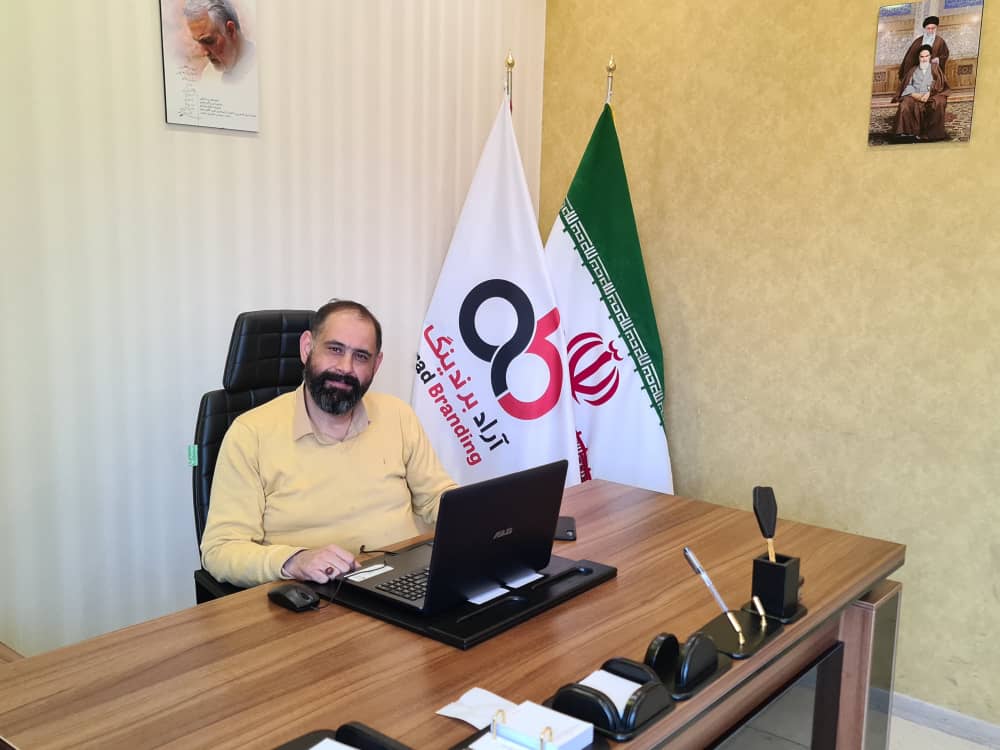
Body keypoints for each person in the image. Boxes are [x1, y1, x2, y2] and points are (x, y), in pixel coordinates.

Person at [201, 300, 457, 588]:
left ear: (376, 365)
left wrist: (482, 522)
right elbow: (220, 550)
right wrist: (293, 561)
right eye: (335, 349)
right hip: (314, 595)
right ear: (307, 348)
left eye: (361, 356)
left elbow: (437, 499)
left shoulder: (398, 415)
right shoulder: (250, 434)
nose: (345, 368)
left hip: (402, 582)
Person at [184, 0, 256, 82]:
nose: (204, 53)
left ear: (231, 30)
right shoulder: (209, 76)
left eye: (209, 41)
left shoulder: (262, 68)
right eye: (198, 42)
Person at [893, 45, 951, 141]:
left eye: (926, 56)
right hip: (915, 95)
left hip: (932, 94)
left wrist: (928, 93)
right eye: (922, 57)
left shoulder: (935, 68)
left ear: (930, 56)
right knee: (904, 104)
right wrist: (916, 95)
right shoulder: (913, 70)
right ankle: (905, 133)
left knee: (940, 102)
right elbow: (908, 85)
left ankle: (932, 134)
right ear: (918, 57)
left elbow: (939, 83)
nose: (924, 59)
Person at [898, 16, 949, 81]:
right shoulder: (918, 41)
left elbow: (945, 54)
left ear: (936, 28)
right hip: (918, 71)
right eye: (928, 28)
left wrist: (938, 59)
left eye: (933, 28)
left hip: (933, 70)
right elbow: (910, 58)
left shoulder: (940, 41)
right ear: (925, 28)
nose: (930, 30)